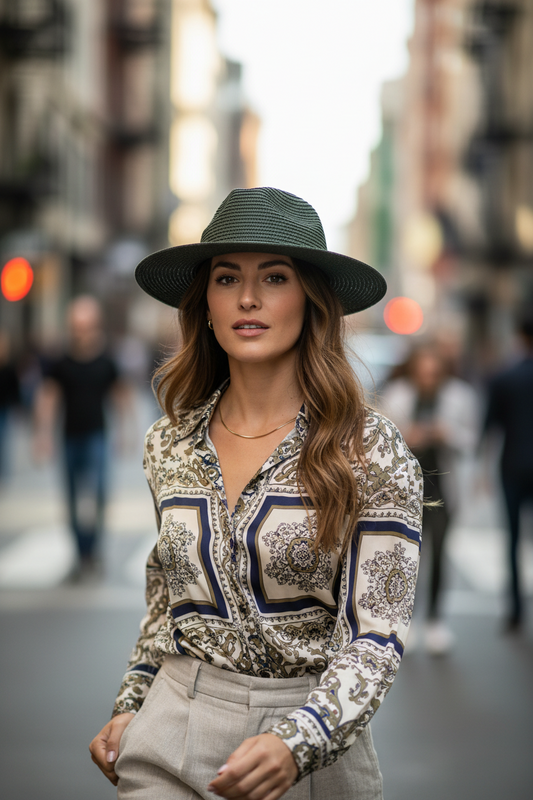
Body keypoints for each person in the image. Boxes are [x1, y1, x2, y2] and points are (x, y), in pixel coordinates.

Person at [90, 187, 423, 800]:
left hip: (311, 747)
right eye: (226, 278)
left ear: (311, 301)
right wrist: (131, 702)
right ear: (206, 303)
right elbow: (167, 601)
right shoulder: (169, 443)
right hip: (172, 727)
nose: (247, 298)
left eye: (274, 277)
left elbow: (377, 635)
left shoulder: (370, 450)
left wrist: (299, 740)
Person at [380, 344, 478, 655]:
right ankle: (402, 623)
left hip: (444, 489)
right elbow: (381, 440)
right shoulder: (396, 394)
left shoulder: (460, 396)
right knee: (404, 559)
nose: (428, 379)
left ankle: (435, 620)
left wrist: (445, 433)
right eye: (422, 373)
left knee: (438, 555)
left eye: (434, 373)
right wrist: (407, 436)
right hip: (406, 491)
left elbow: (472, 440)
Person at [34, 296, 126, 577]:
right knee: (72, 498)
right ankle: (81, 553)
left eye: (85, 326)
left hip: (97, 437)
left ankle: (94, 549)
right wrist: (43, 435)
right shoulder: (60, 362)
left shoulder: (106, 361)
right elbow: (48, 398)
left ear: (95, 326)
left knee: (98, 494)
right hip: (69, 437)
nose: (81, 331)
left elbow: (120, 395)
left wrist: (126, 430)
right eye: (76, 326)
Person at [483, 310, 533, 631]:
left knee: (513, 540)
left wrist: (480, 473)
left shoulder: (503, 377)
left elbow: (490, 429)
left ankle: (515, 611)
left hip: (513, 466)